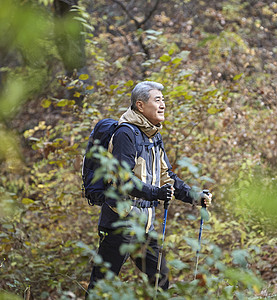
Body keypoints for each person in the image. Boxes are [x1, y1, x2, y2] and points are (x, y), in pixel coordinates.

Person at [86, 81, 212, 295]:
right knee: (101, 287)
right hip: (120, 222)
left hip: (145, 225)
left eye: (163, 100)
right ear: (140, 106)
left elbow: (167, 177)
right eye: (157, 99)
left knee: (159, 281)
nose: (163, 104)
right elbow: (123, 179)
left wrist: (195, 197)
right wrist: (156, 193)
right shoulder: (126, 134)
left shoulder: (153, 136)